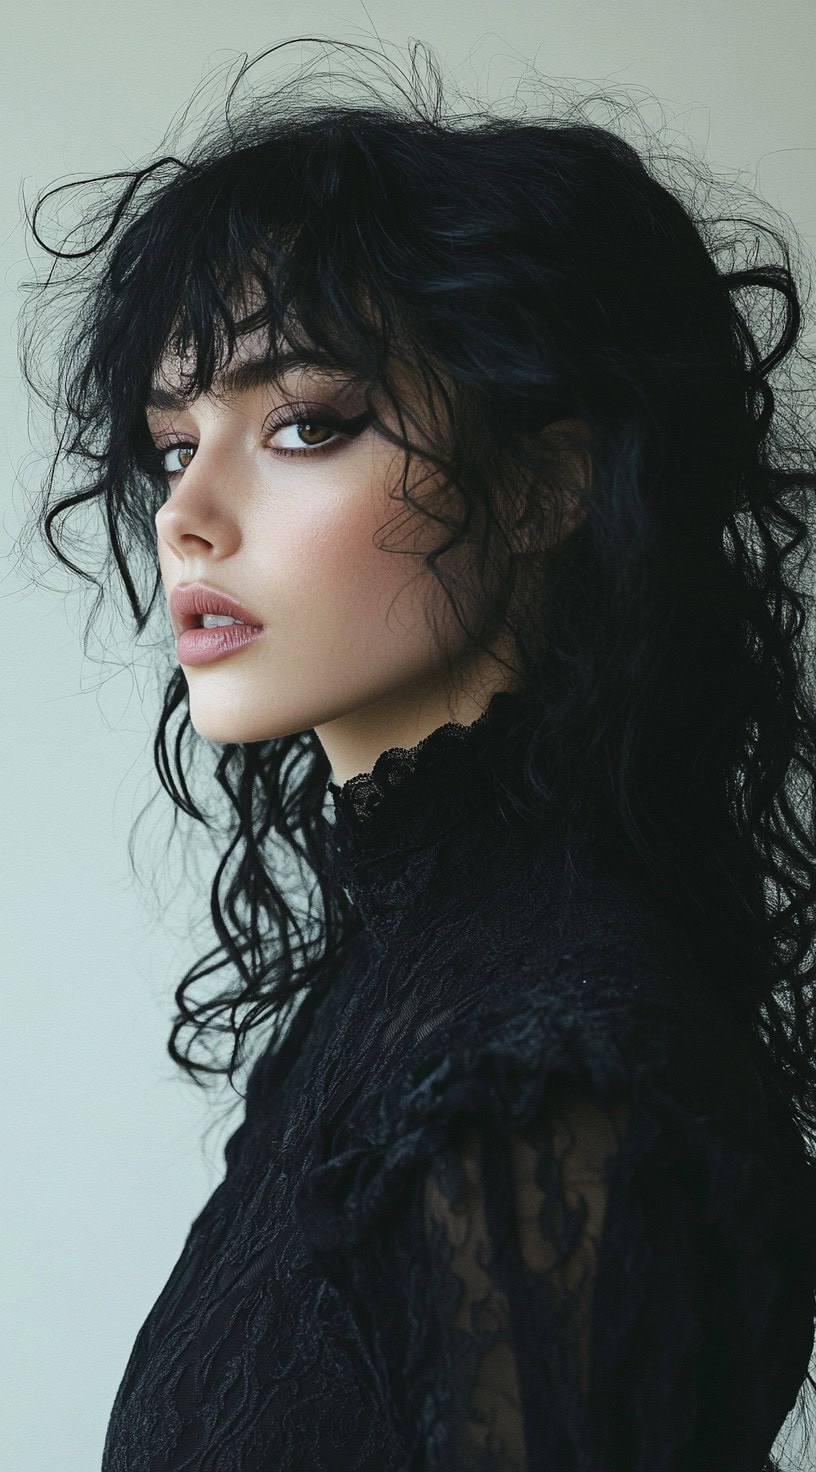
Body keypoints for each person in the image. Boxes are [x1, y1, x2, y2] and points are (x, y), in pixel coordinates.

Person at [19, 37, 816, 1472]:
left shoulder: (539, 1060)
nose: (185, 511)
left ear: (546, 487)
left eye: (305, 423)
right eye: (171, 435)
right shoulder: (408, 985)